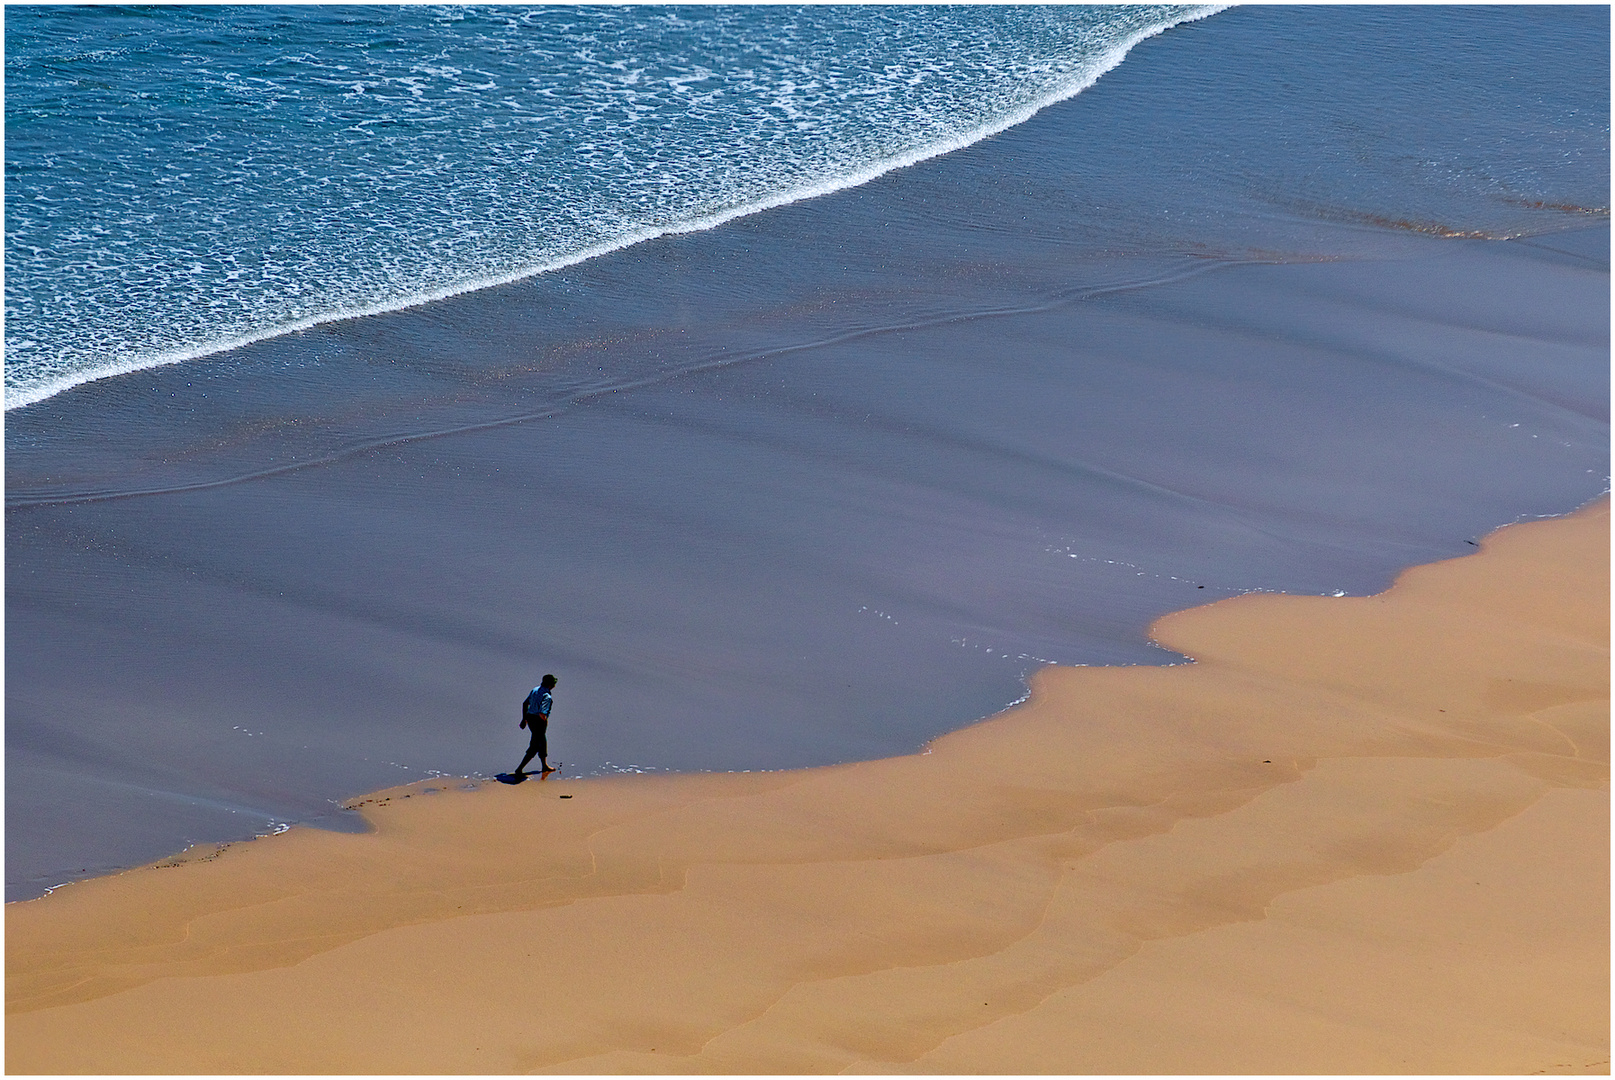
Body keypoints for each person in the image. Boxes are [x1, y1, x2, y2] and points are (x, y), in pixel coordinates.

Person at [515, 674, 557, 776]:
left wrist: (524, 719)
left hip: (530, 718)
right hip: (538, 721)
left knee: (542, 742)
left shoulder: (535, 690)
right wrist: (544, 719)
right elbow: (542, 713)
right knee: (535, 745)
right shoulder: (547, 696)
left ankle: (544, 766)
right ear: (551, 685)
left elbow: (525, 704)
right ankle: (519, 769)